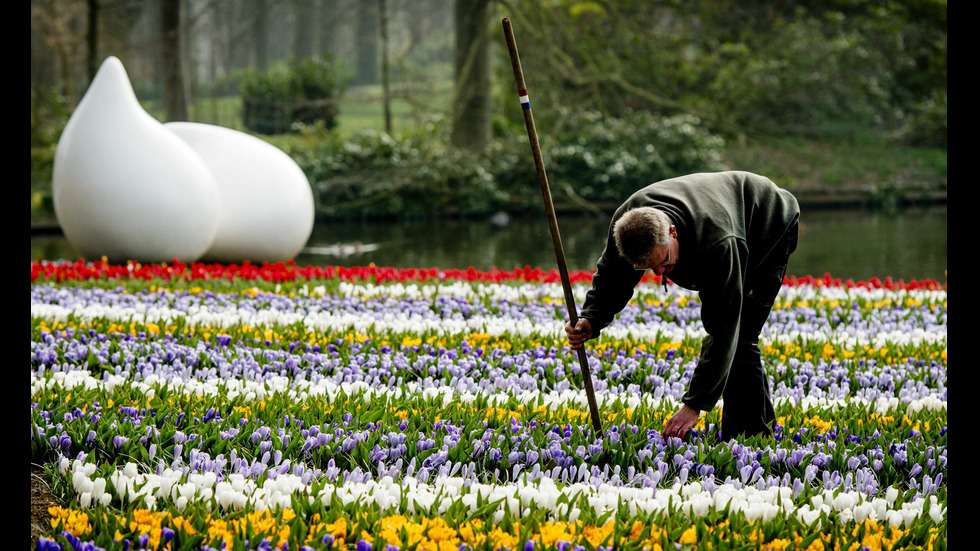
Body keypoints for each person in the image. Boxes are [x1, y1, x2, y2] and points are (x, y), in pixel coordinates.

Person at [565, 171, 800, 441]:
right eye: (648, 268)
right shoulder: (628, 224)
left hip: (767, 223)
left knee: (742, 334)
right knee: (740, 339)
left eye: (663, 261)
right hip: (722, 213)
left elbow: (724, 327)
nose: (659, 272)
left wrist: (694, 404)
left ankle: (747, 438)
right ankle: (757, 434)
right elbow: (612, 275)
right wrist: (592, 319)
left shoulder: (718, 242)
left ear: (673, 232)